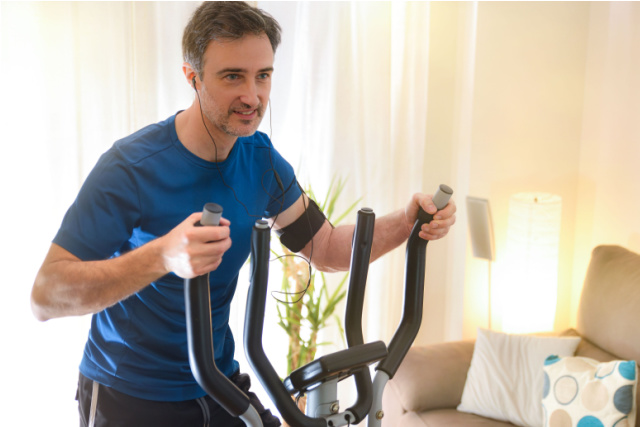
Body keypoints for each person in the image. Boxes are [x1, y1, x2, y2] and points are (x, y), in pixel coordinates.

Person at [30, 2, 456, 427]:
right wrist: (162, 256)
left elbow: (326, 248)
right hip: (131, 392)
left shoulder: (261, 160)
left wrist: (407, 221)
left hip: (216, 383)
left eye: (263, 76)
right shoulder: (130, 167)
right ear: (192, 77)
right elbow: (46, 295)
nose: (252, 96)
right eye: (233, 76)